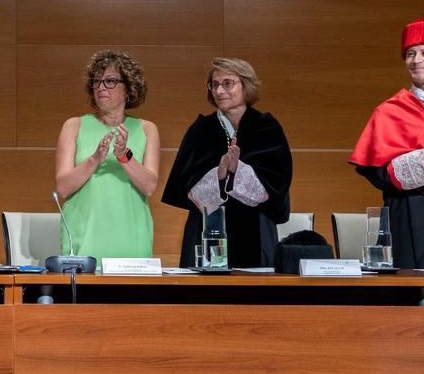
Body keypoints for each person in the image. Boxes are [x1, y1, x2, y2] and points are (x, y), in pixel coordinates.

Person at [161, 57, 292, 268]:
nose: (219, 91)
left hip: (256, 225)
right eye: (214, 85)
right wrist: (219, 175)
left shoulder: (266, 127)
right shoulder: (201, 129)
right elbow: (185, 185)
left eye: (227, 83)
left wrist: (238, 170)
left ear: (246, 85)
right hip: (206, 225)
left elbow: (276, 182)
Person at [350, 15, 424, 268]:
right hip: (408, 209)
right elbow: (376, 173)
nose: (416, 60)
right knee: (409, 286)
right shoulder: (389, 111)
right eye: (410, 54)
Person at [54, 50, 160, 260]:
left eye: (110, 81)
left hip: (131, 238)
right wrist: (95, 159)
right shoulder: (74, 126)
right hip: (84, 237)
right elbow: (63, 187)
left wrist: (123, 156)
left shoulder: (147, 129)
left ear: (128, 88)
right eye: (96, 81)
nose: (101, 87)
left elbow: (149, 186)